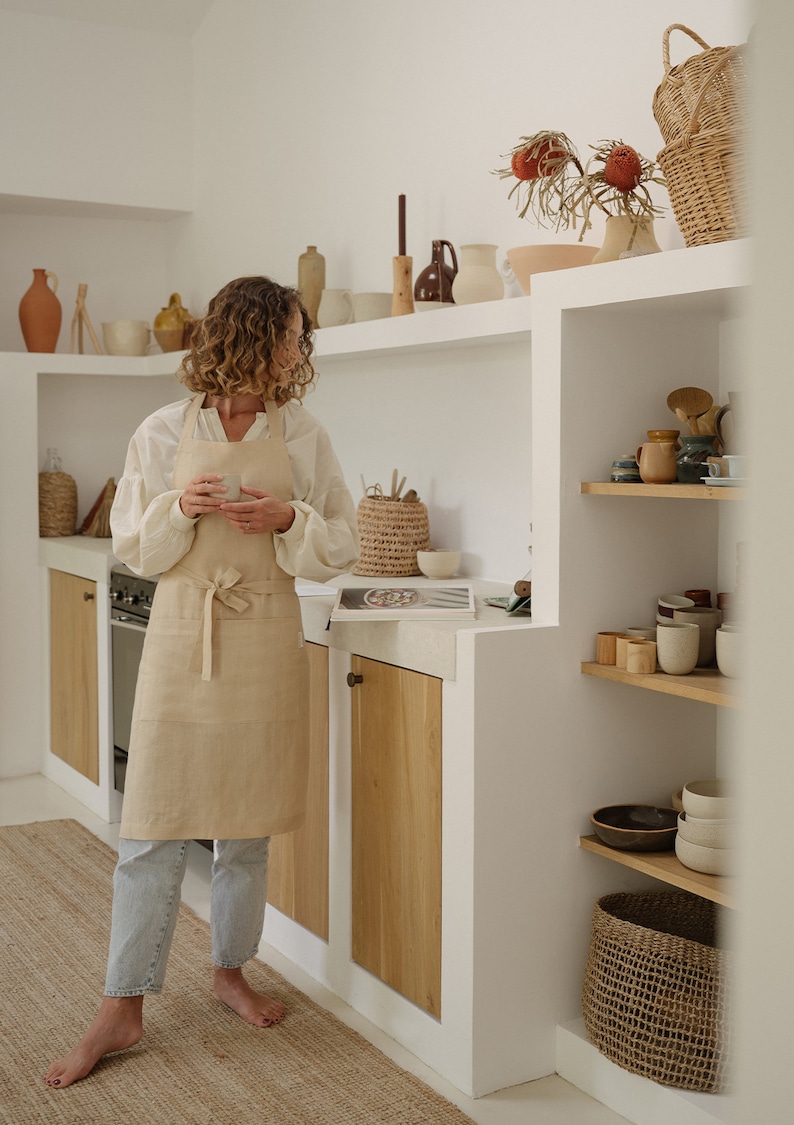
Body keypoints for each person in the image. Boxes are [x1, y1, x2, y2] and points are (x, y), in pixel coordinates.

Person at [45, 276, 359, 1088]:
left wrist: (289, 521)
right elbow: (133, 547)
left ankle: (229, 971)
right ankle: (122, 1003)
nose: (300, 350)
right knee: (152, 824)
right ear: (252, 335)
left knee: (244, 828)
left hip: (262, 636)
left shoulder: (306, 436)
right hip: (186, 635)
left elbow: (343, 537)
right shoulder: (160, 430)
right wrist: (181, 508)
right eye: (291, 334)